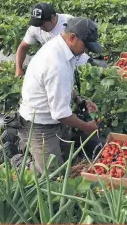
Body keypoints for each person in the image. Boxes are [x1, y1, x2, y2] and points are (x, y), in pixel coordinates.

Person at [18, 17, 102, 173]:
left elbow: (63, 86)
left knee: (65, 158)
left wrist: (79, 99)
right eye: (85, 46)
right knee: (52, 176)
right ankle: (18, 162)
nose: (86, 51)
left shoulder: (62, 48)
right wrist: (87, 127)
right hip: (39, 124)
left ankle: (37, 158)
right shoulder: (56, 65)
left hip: (54, 118)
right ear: (72, 38)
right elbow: (61, 114)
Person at [15, 3, 90, 77]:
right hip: (53, 62)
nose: (40, 27)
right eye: (37, 24)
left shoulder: (69, 23)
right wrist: (18, 69)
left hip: (76, 60)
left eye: (42, 24)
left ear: (53, 18)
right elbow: (22, 47)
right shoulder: (35, 28)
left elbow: (83, 47)